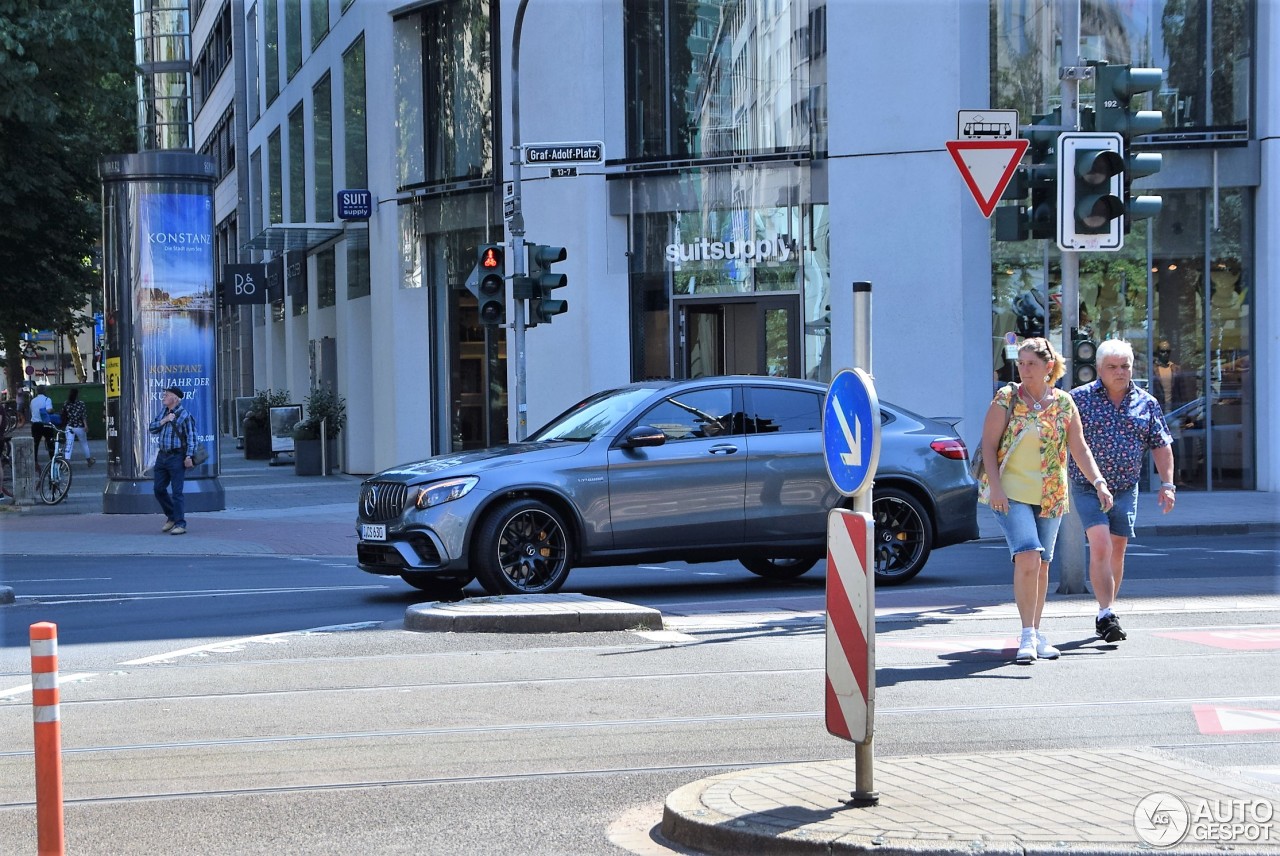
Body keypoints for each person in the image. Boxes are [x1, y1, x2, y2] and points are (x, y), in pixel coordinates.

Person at [978, 337, 1114, 665]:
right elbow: (987, 445)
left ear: (1048, 367)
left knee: (1042, 565)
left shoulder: (1064, 403)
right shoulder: (1007, 398)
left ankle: (1037, 633)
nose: (1024, 370)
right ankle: (1026, 635)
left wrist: (1098, 481)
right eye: (1021, 363)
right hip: (1010, 493)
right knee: (1027, 556)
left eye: (1031, 364)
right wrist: (995, 487)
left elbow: (1079, 448)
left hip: (1051, 494)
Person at [1069, 339, 1175, 644]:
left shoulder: (1147, 403)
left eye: (1125, 366)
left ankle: (1106, 610)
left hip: (1126, 487)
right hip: (1087, 486)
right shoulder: (1079, 400)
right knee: (1100, 543)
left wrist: (1167, 484)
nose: (1120, 372)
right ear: (1099, 369)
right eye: (1112, 367)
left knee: (1117, 549)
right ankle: (1106, 613)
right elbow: (1064, 442)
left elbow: (1161, 445)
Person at [149, 386, 197, 535]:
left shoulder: (184, 415)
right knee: (158, 489)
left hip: (177, 457)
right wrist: (164, 420)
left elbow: (192, 437)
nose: (163, 397)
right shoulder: (164, 412)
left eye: (167, 395)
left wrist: (189, 456)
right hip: (162, 456)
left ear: (175, 399)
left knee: (177, 492)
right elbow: (152, 428)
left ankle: (180, 523)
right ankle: (171, 516)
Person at [61, 388, 94, 467]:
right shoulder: (81, 403)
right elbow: (83, 416)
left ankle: (66, 462)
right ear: (77, 395)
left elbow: (63, 414)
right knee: (84, 444)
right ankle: (89, 460)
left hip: (69, 426)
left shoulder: (66, 403)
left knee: (69, 445)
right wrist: (86, 425)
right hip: (79, 427)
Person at [29, 385, 56, 466]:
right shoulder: (47, 399)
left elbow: (32, 411)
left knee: (35, 443)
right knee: (50, 442)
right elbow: (49, 410)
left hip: (35, 424)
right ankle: (53, 460)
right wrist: (53, 411)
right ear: (44, 391)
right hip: (46, 424)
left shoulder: (33, 401)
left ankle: (35, 461)